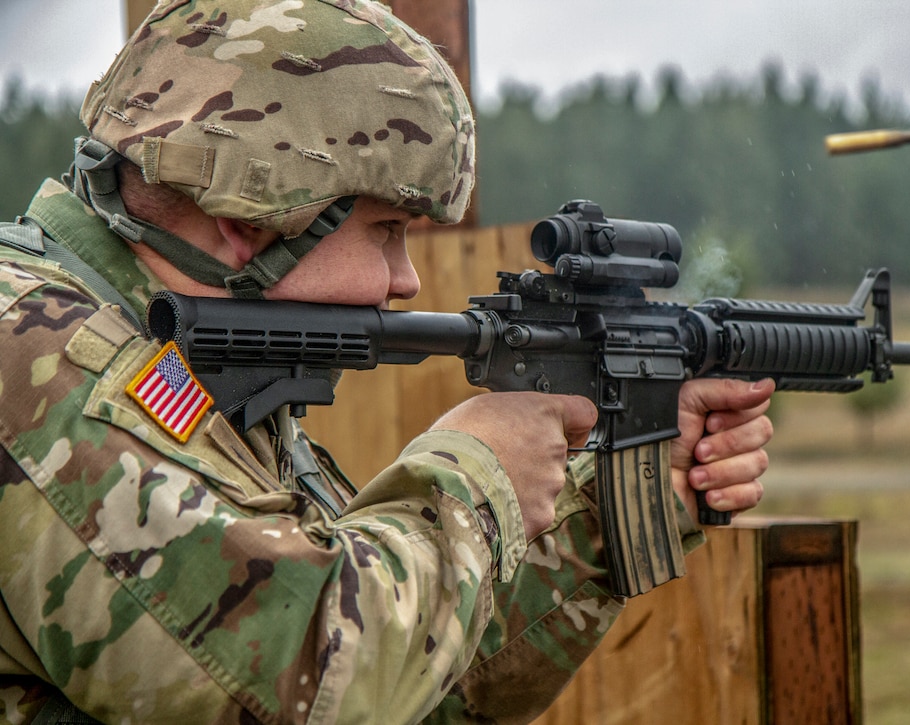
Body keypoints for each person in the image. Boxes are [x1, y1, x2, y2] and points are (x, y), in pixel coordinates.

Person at [0, 1, 774, 723]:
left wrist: (610, 510)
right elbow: (312, 684)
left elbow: (417, 693)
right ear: (253, 215)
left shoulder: (179, 369)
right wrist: (474, 477)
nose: (405, 279)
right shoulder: (39, 356)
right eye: (386, 231)